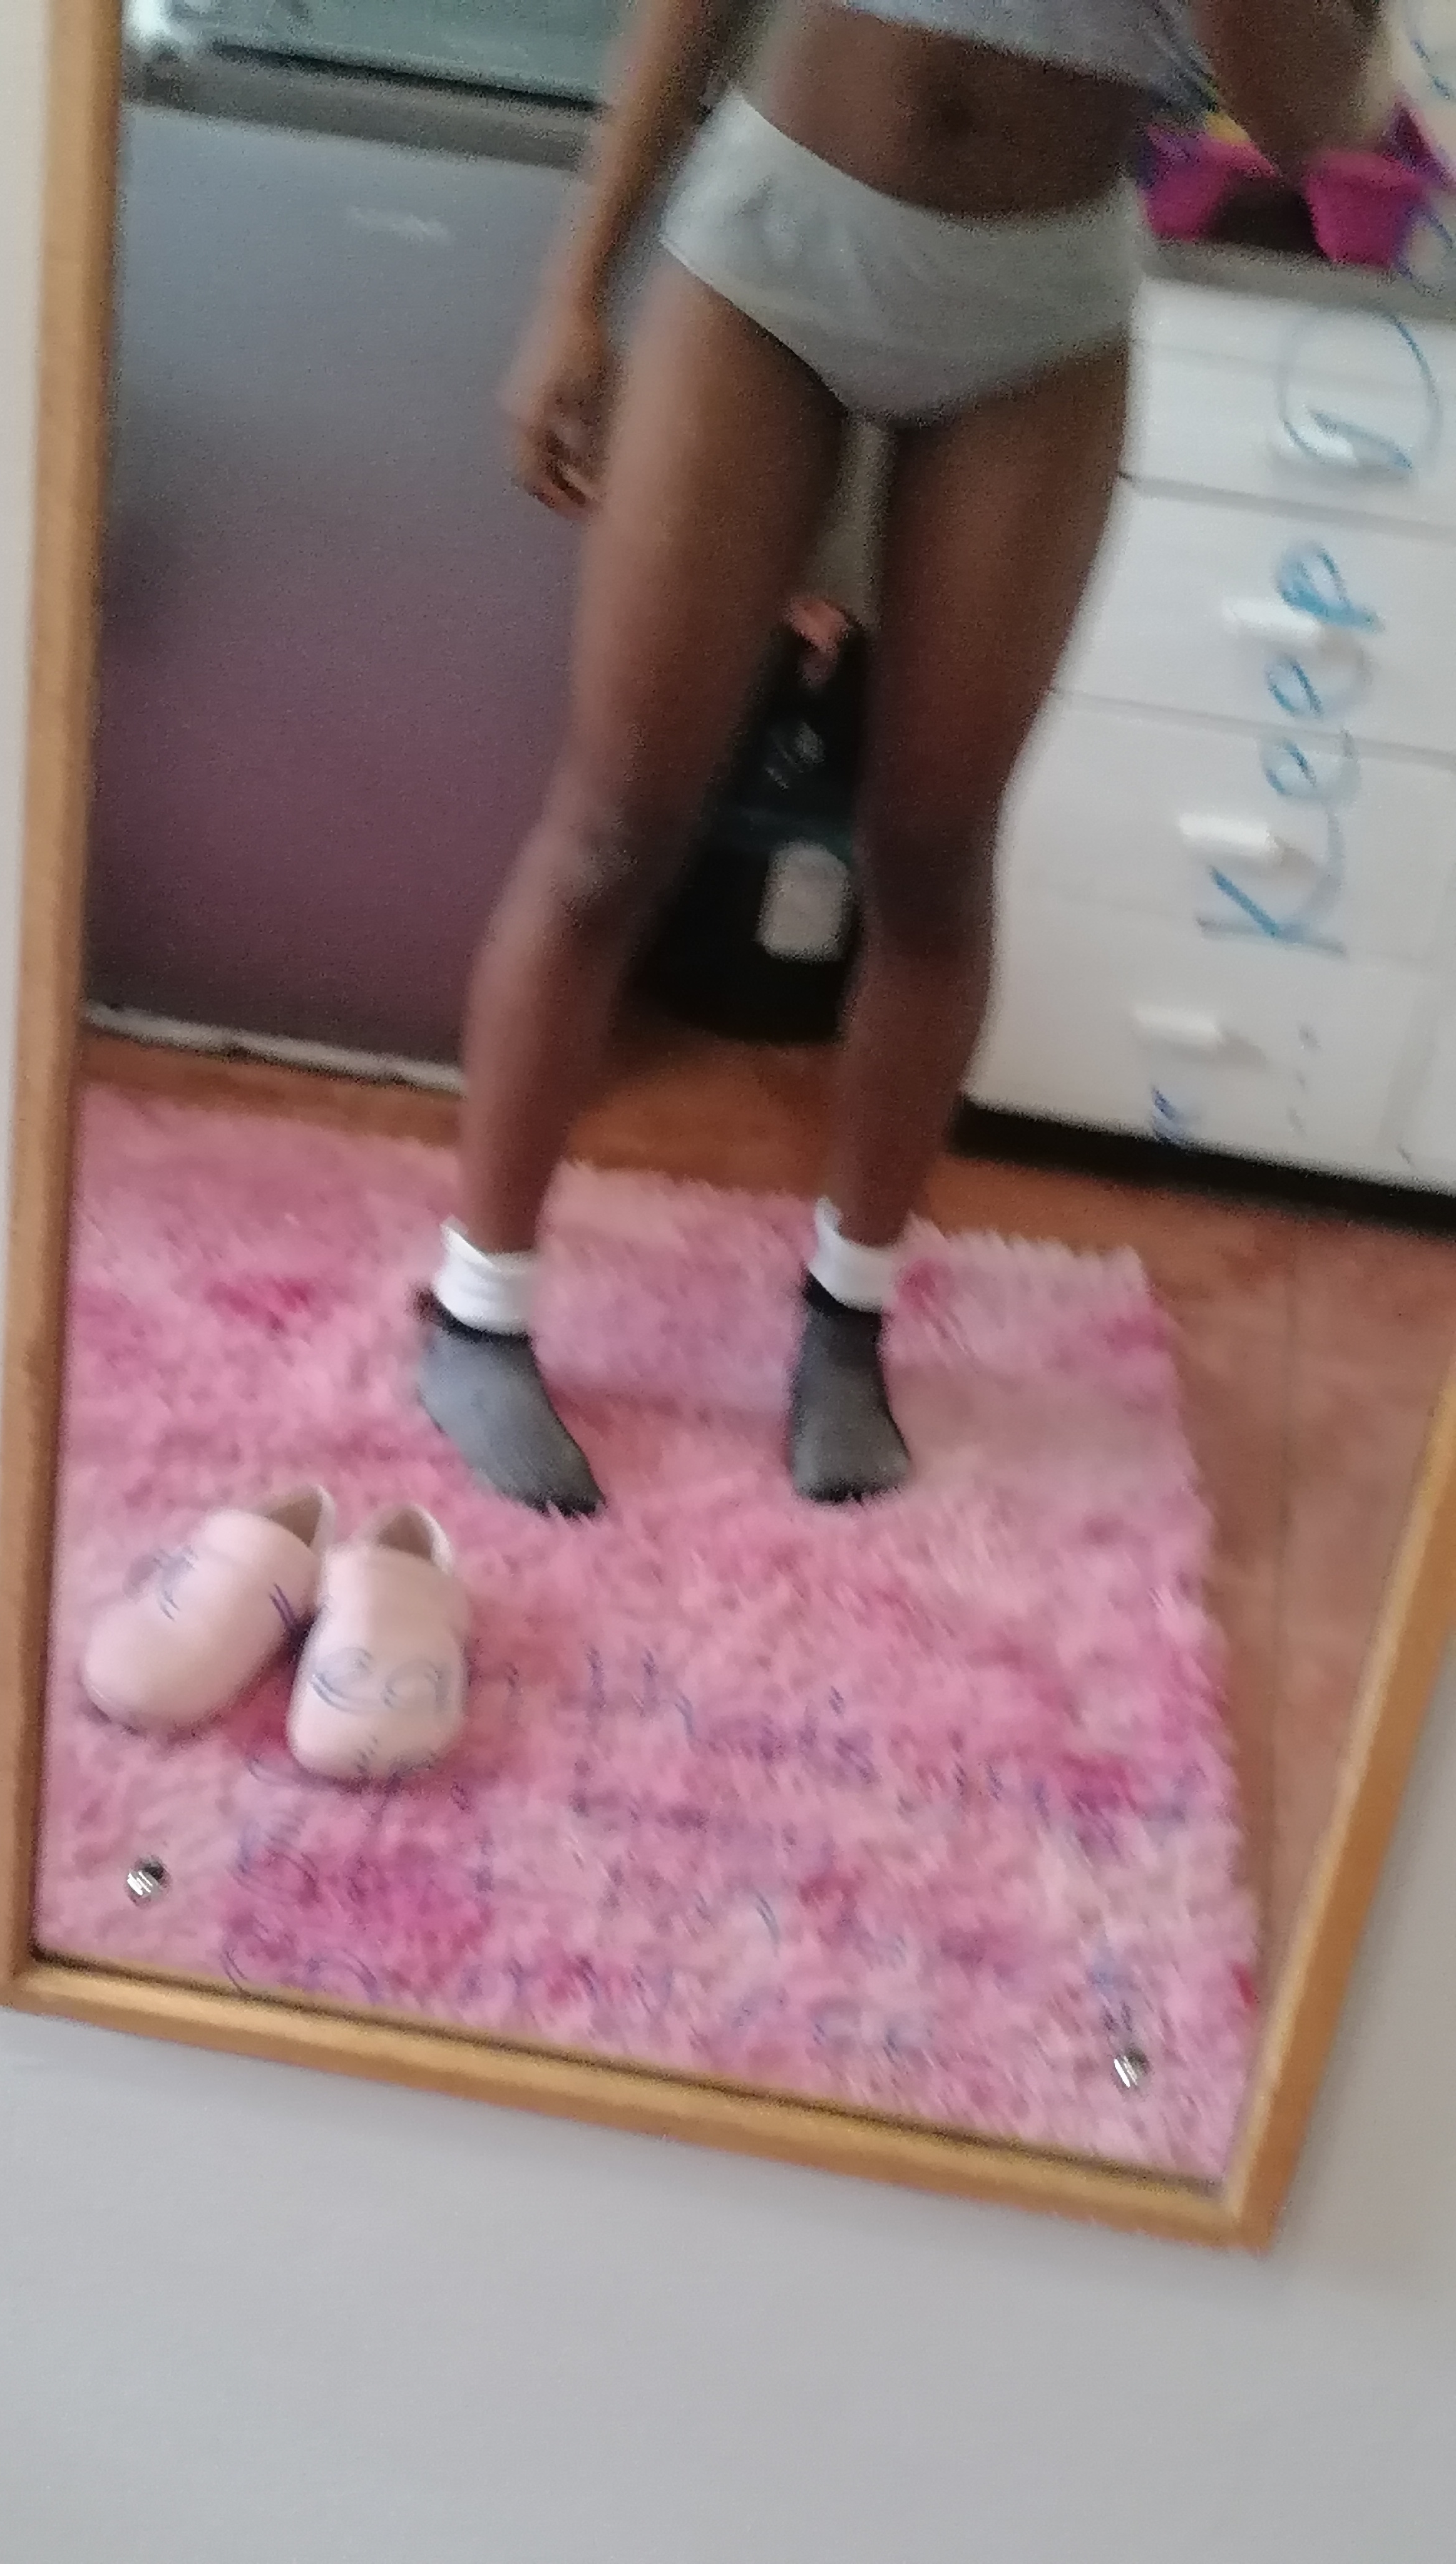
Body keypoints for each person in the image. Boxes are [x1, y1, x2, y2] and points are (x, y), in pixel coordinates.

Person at [417, 0, 1392, 1515]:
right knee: (615, 828)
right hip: (770, 252)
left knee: (933, 859)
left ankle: (847, 1320)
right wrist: (574, 288)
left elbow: (1303, 119)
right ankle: (477, 1307)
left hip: (1037, 318)